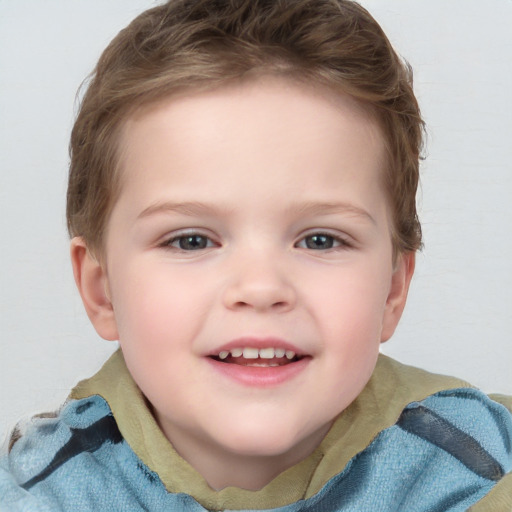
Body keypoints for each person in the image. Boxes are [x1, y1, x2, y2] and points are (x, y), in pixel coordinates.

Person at [1, 0, 511, 510]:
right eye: (191, 240)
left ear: (393, 289)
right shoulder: (41, 494)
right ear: (102, 290)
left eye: (320, 240)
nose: (261, 288)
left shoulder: (478, 471)